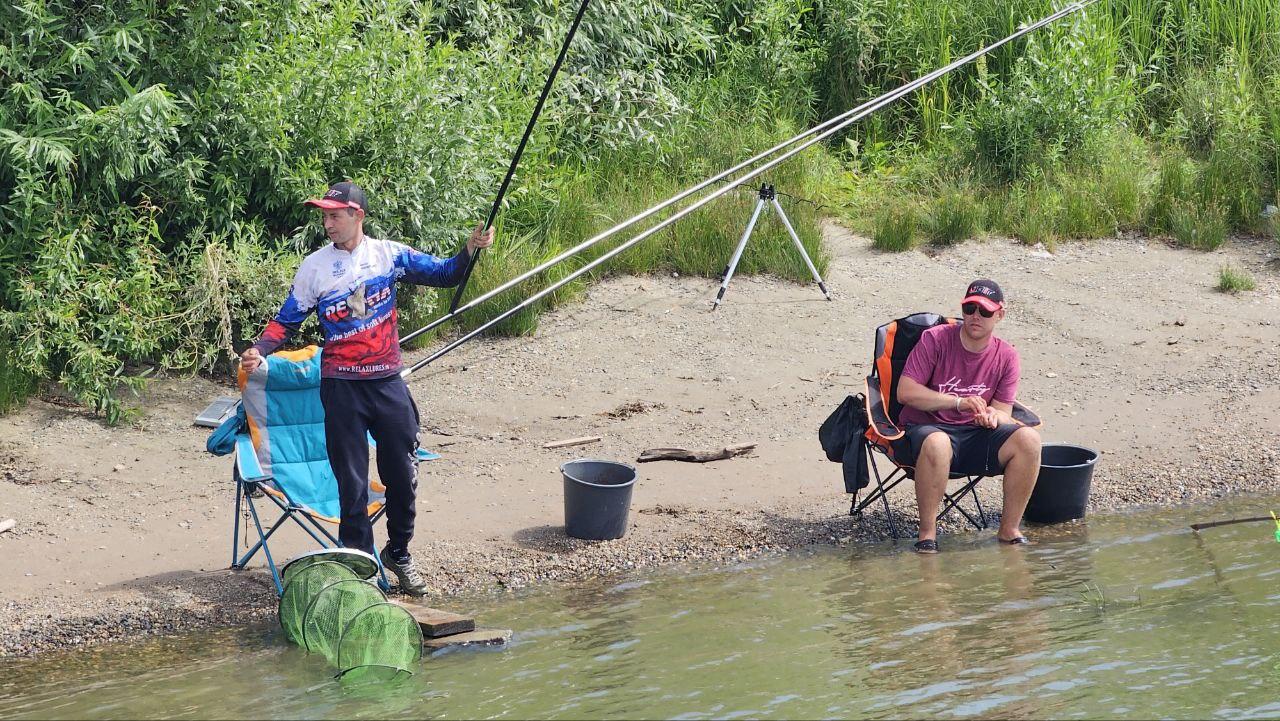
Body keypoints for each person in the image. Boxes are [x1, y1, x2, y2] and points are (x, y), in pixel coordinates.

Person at [240, 181, 494, 594]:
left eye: (334, 216)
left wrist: (470, 249)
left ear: (357, 215)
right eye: (324, 216)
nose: (327, 224)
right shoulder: (314, 267)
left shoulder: (388, 255)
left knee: (403, 473)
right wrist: (259, 349)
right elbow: (286, 320)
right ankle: (359, 568)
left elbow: (446, 274)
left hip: (386, 380)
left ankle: (399, 552)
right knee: (352, 483)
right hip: (341, 385)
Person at [893, 279, 1041, 554]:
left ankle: (1009, 530)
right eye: (970, 308)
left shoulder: (1007, 356)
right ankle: (927, 535)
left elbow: (1004, 412)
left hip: (975, 436)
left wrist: (992, 417)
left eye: (984, 311)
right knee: (938, 442)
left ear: (999, 315)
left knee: (1029, 440)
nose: (975, 316)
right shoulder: (935, 339)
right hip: (926, 431)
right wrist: (957, 402)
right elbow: (905, 392)